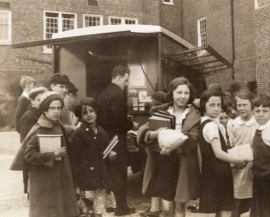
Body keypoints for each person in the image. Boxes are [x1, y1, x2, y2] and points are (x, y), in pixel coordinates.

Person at [137, 77, 201, 217]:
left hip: (182, 163)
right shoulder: (161, 111)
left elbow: (194, 137)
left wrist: (175, 139)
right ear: (172, 93)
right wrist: (155, 134)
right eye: (179, 92)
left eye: (186, 93)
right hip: (164, 162)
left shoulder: (194, 115)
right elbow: (144, 130)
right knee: (166, 208)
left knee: (179, 207)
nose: (182, 97)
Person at [24, 91, 79, 217]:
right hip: (45, 182)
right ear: (44, 110)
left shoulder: (58, 125)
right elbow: (28, 155)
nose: (56, 112)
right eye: (52, 108)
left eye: (59, 108)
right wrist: (53, 155)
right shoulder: (39, 129)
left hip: (60, 178)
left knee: (62, 211)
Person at [198, 90, 248, 216]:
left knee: (220, 209)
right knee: (225, 209)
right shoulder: (211, 126)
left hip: (213, 171)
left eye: (219, 105)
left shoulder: (208, 123)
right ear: (204, 105)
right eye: (212, 105)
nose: (216, 109)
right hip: (219, 172)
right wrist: (237, 160)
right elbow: (218, 153)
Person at [97, 65, 135, 216]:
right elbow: (119, 119)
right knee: (119, 172)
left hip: (105, 138)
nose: (126, 84)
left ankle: (110, 205)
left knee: (109, 172)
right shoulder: (118, 94)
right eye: (125, 81)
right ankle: (121, 208)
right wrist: (131, 124)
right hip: (116, 138)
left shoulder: (103, 93)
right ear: (118, 78)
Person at [70, 97, 117, 217]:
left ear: (96, 111)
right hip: (87, 180)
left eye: (91, 111)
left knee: (99, 211)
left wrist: (111, 154)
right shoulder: (79, 133)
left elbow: (106, 149)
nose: (89, 115)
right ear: (80, 116)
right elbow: (74, 160)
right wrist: (76, 184)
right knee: (88, 210)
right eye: (84, 113)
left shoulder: (101, 131)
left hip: (101, 178)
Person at [227, 90, 256, 217]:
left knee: (254, 200)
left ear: (251, 105)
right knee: (237, 199)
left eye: (245, 105)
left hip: (255, 165)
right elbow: (231, 144)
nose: (242, 108)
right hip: (238, 166)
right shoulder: (232, 123)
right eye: (239, 105)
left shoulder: (258, 122)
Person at [19, 87, 47, 195]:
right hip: (33, 158)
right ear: (32, 101)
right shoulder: (28, 116)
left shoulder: (41, 113)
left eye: (43, 100)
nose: (42, 103)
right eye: (39, 100)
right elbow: (26, 141)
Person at [49, 73, 78, 138]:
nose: (64, 90)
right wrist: (71, 127)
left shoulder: (61, 103)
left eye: (66, 87)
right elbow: (52, 128)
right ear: (52, 87)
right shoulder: (49, 104)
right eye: (61, 87)